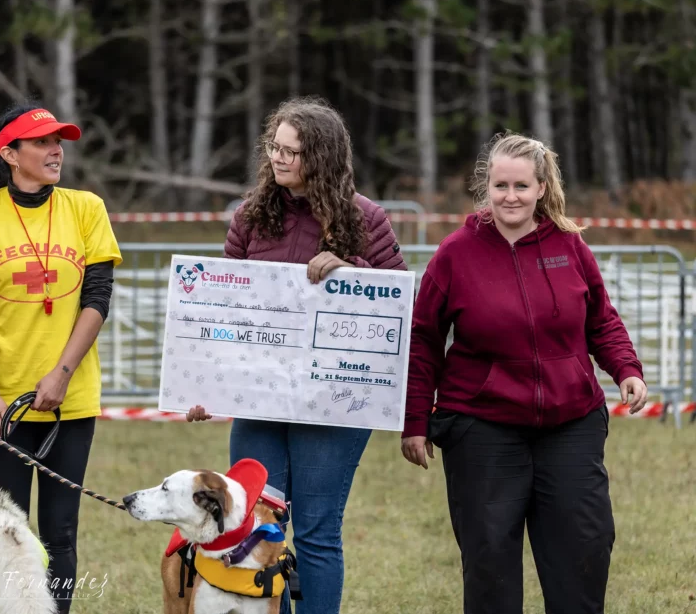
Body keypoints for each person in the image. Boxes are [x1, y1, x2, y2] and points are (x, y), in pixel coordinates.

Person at [401, 131, 648, 614]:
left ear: (541, 188)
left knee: (586, 547)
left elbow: (601, 319)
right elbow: (424, 340)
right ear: (486, 188)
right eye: (500, 186)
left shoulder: (570, 246)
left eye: (520, 186)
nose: (509, 197)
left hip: (571, 421)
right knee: (489, 557)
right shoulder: (455, 253)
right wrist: (414, 422)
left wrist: (626, 369)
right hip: (481, 426)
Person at [186, 96, 406, 614]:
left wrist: (351, 270)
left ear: (323, 158)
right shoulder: (251, 215)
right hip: (261, 402)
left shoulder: (366, 219)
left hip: (333, 405)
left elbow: (398, 312)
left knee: (315, 532)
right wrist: (205, 388)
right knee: (259, 525)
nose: (279, 159)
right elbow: (228, 312)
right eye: (274, 148)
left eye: (292, 152)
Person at [0, 102, 123, 614]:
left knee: (60, 533)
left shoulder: (87, 208)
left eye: (58, 141)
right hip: (1, 404)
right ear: (9, 153)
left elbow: (97, 298)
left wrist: (61, 374)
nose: (55, 150)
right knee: (4, 530)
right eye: (41, 142)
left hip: (70, 398)